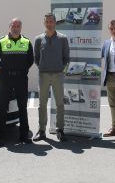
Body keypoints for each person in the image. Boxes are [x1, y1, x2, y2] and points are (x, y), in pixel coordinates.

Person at [0, 18, 34, 146]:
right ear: (9, 26)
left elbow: (30, 60)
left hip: (21, 78)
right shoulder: (1, 41)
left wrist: (22, 70)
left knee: (22, 107)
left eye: (18, 26)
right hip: (6, 79)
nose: (16, 28)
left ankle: (24, 136)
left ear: (21, 27)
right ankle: (0, 137)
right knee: (3, 107)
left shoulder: (26, 42)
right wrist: (3, 71)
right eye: (13, 25)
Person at [33, 13, 70, 142]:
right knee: (42, 104)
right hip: (43, 75)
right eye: (47, 21)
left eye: (51, 21)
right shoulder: (38, 39)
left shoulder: (62, 38)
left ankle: (60, 130)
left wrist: (61, 72)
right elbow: (36, 58)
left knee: (60, 104)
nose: (49, 23)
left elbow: (67, 58)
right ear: (44, 23)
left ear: (55, 23)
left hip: (58, 75)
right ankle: (41, 130)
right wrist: (42, 68)